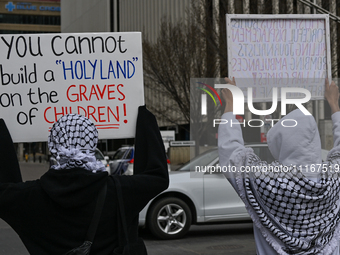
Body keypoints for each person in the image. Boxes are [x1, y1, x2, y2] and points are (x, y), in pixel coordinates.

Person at [0, 105, 169, 254]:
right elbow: (157, 176)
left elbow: (4, 188)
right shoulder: (121, 191)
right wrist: (145, 120)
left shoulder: (28, 198)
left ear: (52, 146)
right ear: (93, 144)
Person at [218, 78, 340, 255]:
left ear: (279, 144)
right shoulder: (333, 179)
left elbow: (231, 152)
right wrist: (334, 105)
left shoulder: (265, 183)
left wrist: (230, 105)